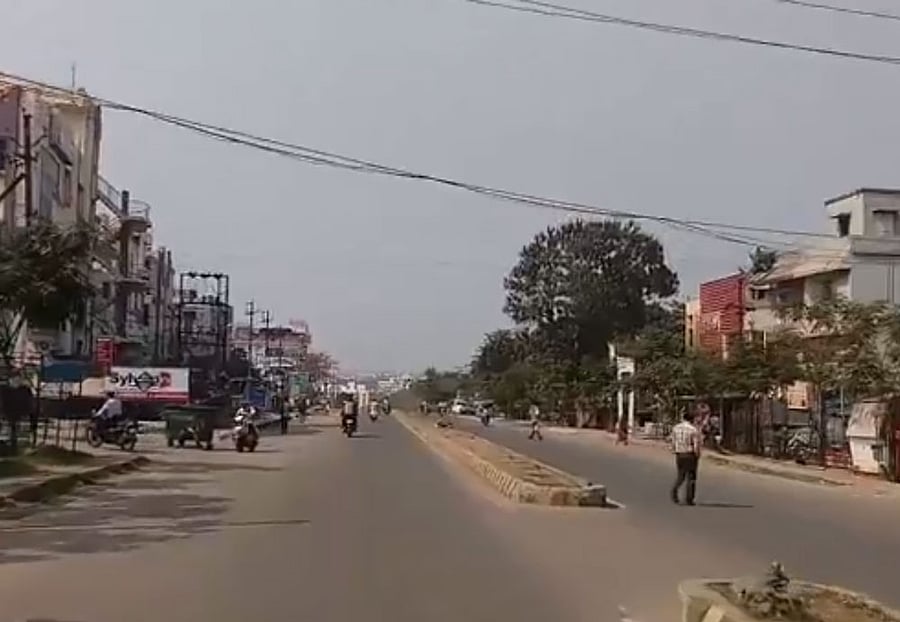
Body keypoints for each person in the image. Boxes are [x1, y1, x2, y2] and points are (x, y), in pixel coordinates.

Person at [670, 410, 702, 506]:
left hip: (680, 454)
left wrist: (675, 450)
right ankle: (689, 499)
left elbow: (673, 442)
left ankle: (674, 491)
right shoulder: (693, 430)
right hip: (690, 454)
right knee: (691, 478)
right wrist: (697, 454)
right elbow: (695, 445)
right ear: (692, 419)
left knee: (681, 476)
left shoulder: (676, 428)